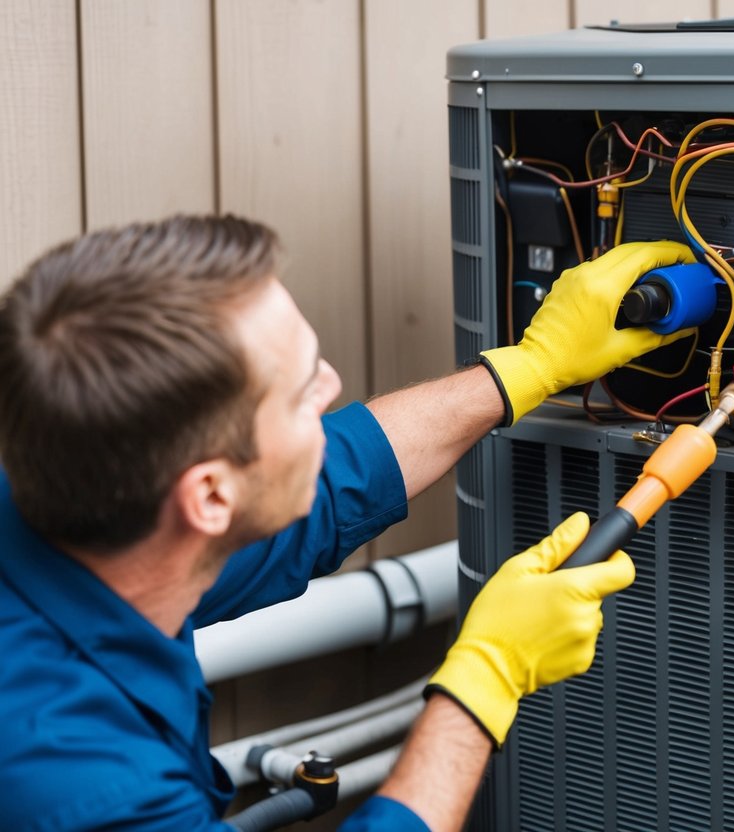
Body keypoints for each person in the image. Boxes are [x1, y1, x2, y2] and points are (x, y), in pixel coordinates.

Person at [0, 215, 694, 831]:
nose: (331, 386)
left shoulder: (88, 505)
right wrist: (489, 675)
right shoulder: (81, 784)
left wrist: (530, 367)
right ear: (209, 498)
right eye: (304, 394)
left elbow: (329, 484)